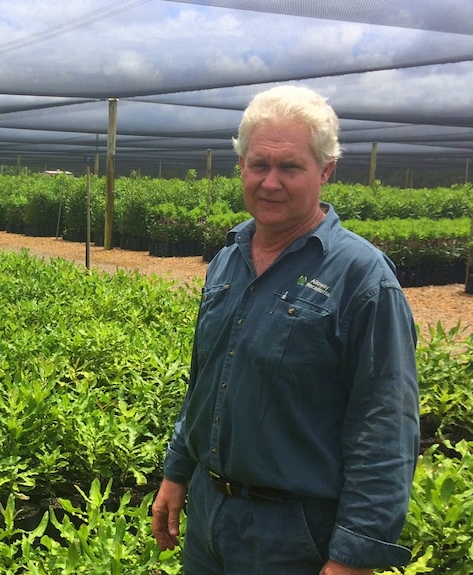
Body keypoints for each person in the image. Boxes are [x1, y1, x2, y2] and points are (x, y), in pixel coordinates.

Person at [151, 85, 419, 575]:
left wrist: (354, 556)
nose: (270, 182)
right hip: (210, 517)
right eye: (259, 165)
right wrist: (177, 471)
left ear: (326, 170)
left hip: (294, 534)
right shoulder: (228, 260)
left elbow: (384, 429)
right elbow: (206, 381)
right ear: (241, 166)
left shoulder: (363, 278)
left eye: (290, 167)